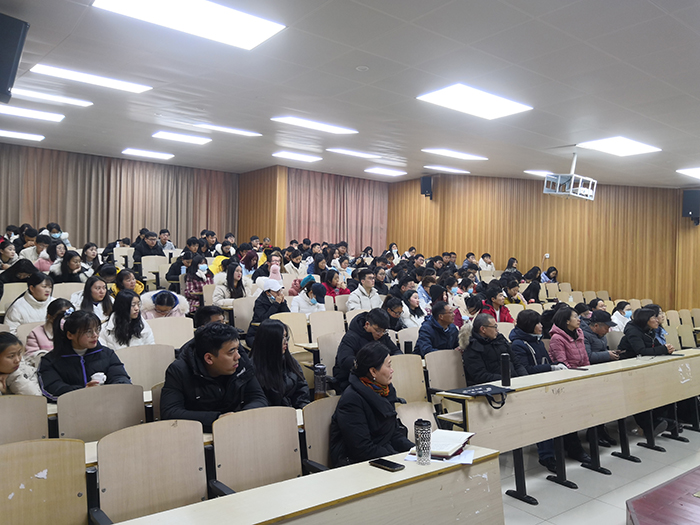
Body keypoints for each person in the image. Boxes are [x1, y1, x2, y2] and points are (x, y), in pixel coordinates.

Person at [160, 322, 267, 432]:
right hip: (198, 433)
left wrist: (238, 418)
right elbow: (170, 412)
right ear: (209, 359)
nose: (238, 356)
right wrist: (217, 419)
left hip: (236, 428)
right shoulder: (179, 370)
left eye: (237, 349)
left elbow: (258, 398)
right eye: (231, 352)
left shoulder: (240, 362)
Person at [329, 342, 413, 467]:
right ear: (373, 371)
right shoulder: (352, 400)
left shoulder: (385, 390)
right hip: (360, 464)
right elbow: (362, 449)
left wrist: (414, 451)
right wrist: (398, 459)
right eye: (388, 365)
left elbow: (393, 433)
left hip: (383, 455)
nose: (392, 370)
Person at [38, 310, 131, 400]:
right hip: (71, 407)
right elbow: (52, 388)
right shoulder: (50, 360)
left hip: (106, 403)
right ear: (70, 335)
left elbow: (120, 377)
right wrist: (83, 391)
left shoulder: (107, 354)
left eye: (97, 330)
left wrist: (109, 390)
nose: (95, 335)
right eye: (88, 332)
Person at [333, 309, 401, 392]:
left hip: (377, 379)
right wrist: (368, 366)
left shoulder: (382, 335)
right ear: (367, 324)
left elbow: (396, 352)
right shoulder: (351, 337)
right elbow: (345, 360)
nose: (380, 334)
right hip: (351, 379)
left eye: (384, 331)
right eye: (378, 330)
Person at [251, 319, 310, 408]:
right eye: (282, 337)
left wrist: (302, 409)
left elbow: (302, 390)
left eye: (286, 336)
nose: (286, 342)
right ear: (269, 341)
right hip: (270, 414)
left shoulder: (290, 361)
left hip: (292, 412)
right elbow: (260, 402)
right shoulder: (253, 368)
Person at [462, 313, 526, 385]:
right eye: (494, 327)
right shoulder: (472, 347)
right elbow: (480, 376)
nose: (497, 330)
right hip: (493, 385)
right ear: (483, 329)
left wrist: (524, 378)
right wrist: (507, 379)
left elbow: (516, 362)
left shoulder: (500, 339)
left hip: (513, 381)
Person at [25, 298, 73, 366]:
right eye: (60, 316)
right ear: (49, 317)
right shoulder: (35, 334)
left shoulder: (74, 332)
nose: (64, 320)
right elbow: (30, 357)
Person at [246, 278, 290, 348]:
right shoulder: (259, 302)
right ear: (267, 293)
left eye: (279, 291)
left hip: (275, 334)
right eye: (276, 292)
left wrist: (283, 304)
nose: (279, 294)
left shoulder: (280, 301)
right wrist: (276, 304)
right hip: (257, 334)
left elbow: (288, 316)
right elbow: (265, 319)